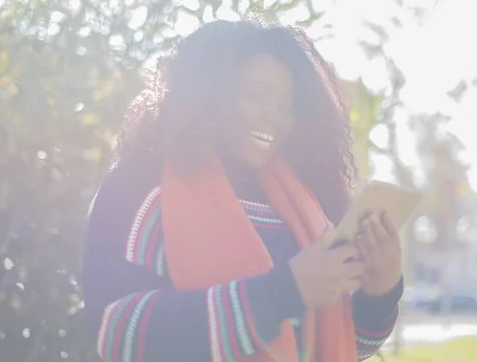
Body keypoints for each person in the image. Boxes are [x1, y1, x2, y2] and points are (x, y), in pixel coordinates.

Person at [83, 20, 403, 362]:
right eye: (257, 96)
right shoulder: (141, 184)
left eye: (287, 107)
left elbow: (338, 345)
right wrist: (286, 291)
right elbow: (118, 334)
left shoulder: (300, 204)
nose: (274, 119)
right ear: (211, 92)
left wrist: (380, 293)